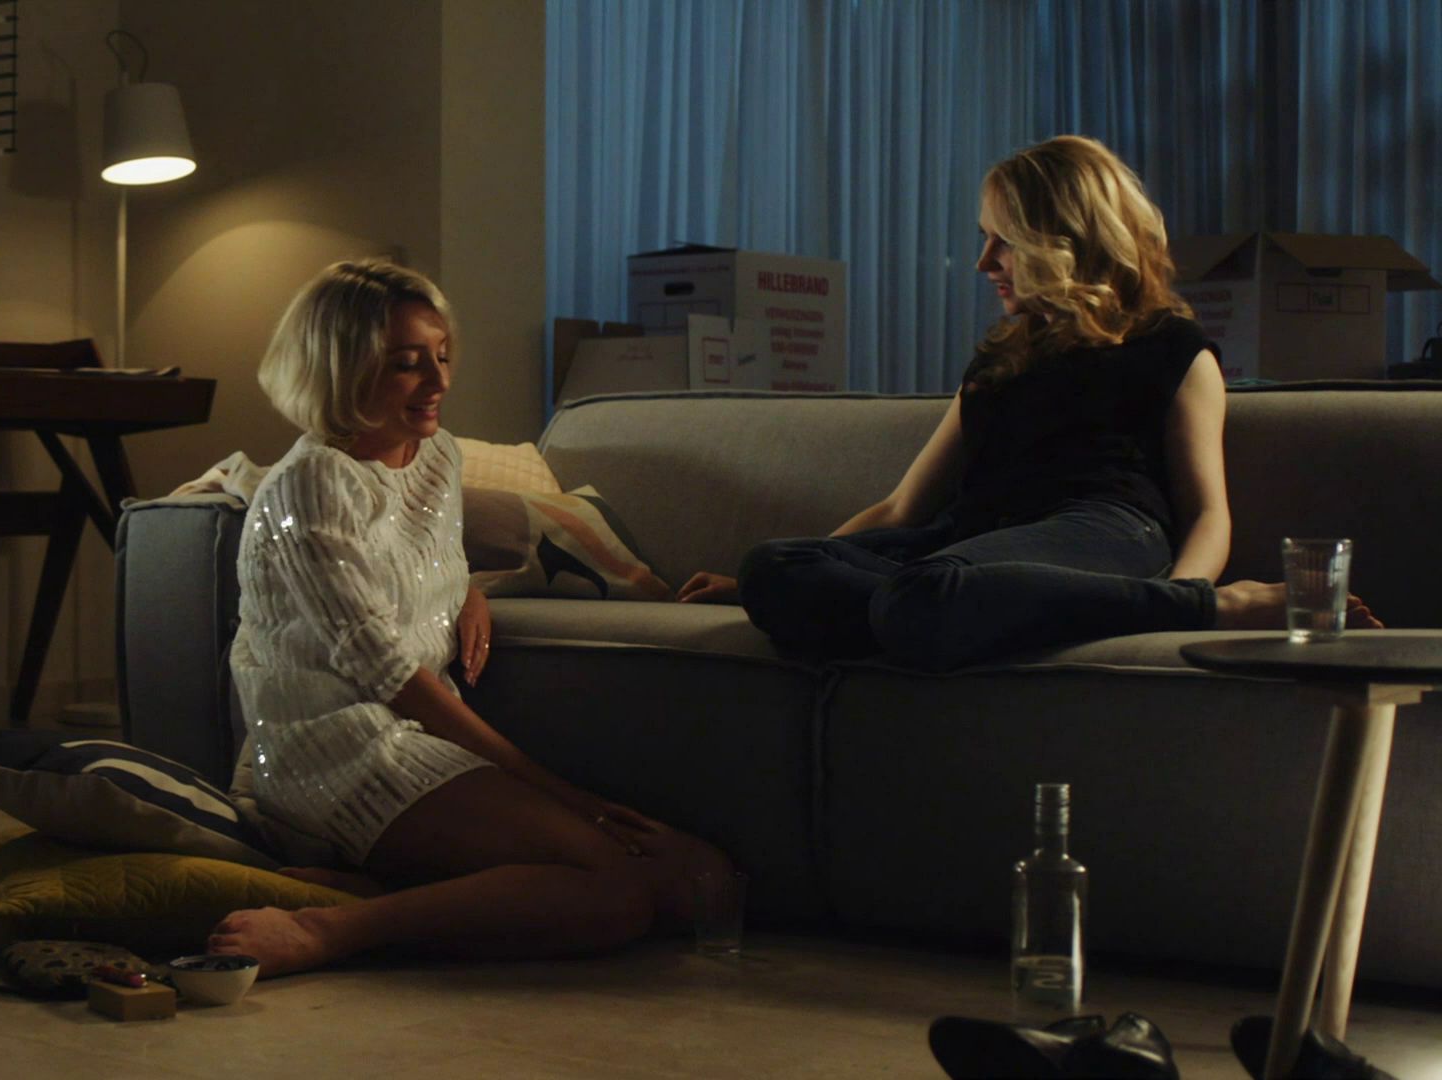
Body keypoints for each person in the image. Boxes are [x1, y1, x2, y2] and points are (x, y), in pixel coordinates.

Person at [677, 135, 1380, 671]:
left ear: (1065, 245)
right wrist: (774, 578)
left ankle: (1209, 609)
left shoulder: (1171, 347)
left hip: (1100, 529)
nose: (984, 263)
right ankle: (943, 614)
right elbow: (901, 509)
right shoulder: (1000, 359)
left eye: (1003, 243)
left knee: (920, 597)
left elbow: (1206, 512)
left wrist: (1190, 595)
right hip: (969, 545)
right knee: (775, 567)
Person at [208, 259, 732, 977]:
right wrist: (562, 793)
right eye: (407, 364)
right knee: (617, 896)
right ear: (342, 369)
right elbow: (385, 672)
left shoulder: (438, 456)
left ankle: (390, 890)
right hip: (336, 749)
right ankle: (333, 929)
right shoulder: (311, 485)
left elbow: (419, 566)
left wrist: (467, 593)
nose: (438, 381)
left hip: (420, 733)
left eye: (443, 356)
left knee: (703, 882)